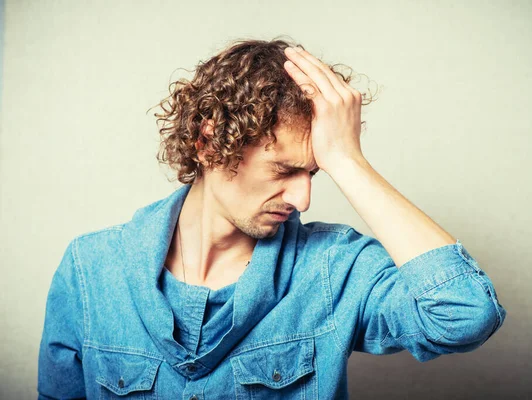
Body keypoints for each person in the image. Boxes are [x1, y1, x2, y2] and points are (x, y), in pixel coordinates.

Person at [37, 38, 506, 399]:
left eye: (316, 172)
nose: (303, 199)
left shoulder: (334, 269)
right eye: (284, 170)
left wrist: (348, 161)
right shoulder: (90, 270)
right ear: (208, 142)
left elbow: (464, 314)